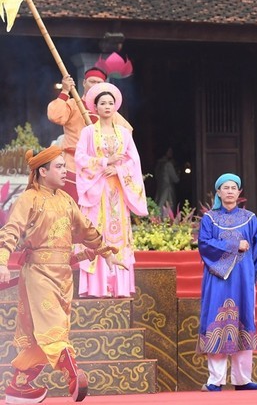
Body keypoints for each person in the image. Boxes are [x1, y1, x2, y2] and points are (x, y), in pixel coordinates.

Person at [0, 146, 124, 403]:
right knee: (52, 327)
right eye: (58, 166)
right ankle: (73, 374)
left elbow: (86, 229)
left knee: (42, 333)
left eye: (64, 166)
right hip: (37, 273)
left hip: (62, 275)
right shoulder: (29, 199)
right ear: (42, 172)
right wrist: (2, 262)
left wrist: (106, 251)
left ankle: (19, 385)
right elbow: (10, 231)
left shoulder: (66, 200)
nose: (65, 171)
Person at [75, 83, 147, 298]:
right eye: (102, 103)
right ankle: (97, 287)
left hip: (118, 189)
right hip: (97, 190)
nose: (107, 106)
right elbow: (80, 159)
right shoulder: (88, 132)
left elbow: (134, 161)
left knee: (118, 235)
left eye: (110, 103)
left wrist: (118, 169)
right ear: (95, 108)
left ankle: (119, 287)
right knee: (98, 233)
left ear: (116, 107)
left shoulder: (124, 134)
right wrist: (105, 162)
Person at [197, 173, 257, 392]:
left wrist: (249, 274)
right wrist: (236, 245)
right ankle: (214, 380)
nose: (229, 191)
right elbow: (204, 245)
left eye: (233, 187)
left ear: (239, 193)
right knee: (215, 320)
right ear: (218, 192)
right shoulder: (209, 219)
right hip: (217, 278)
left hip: (243, 280)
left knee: (244, 320)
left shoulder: (250, 218)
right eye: (224, 187)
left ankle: (243, 379)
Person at [47, 68, 132, 201]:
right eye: (92, 81)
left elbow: (127, 135)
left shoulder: (110, 112)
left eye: (99, 82)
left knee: (95, 216)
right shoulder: (73, 104)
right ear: (84, 83)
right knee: (71, 211)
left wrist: (115, 162)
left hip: (99, 168)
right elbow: (55, 115)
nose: (96, 85)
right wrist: (65, 91)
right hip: (73, 165)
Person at [154, 147, 180, 213]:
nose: (171, 153)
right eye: (170, 151)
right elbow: (176, 179)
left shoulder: (158, 164)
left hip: (159, 189)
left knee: (159, 204)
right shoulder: (168, 164)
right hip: (167, 190)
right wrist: (178, 172)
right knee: (167, 208)